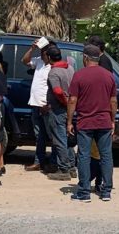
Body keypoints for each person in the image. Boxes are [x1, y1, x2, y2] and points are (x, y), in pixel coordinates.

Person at [67, 45, 117, 203]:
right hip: (104, 121)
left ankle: (84, 192)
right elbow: (113, 101)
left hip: (85, 122)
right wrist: (113, 119)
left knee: (83, 156)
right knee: (106, 156)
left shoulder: (79, 75)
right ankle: (106, 190)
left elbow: (72, 100)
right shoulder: (109, 76)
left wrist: (69, 121)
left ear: (85, 58)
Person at [44, 45, 76, 181]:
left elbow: (57, 91)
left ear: (49, 57)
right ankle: (72, 167)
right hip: (70, 109)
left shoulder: (54, 72)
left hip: (58, 109)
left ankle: (64, 169)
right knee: (67, 138)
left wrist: (64, 101)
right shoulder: (70, 68)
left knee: (59, 139)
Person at [21, 39, 53, 172]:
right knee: (38, 135)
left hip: (46, 106)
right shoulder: (38, 61)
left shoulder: (53, 66)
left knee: (52, 135)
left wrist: (49, 104)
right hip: (35, 104)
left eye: (43, 50)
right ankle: (39, 161)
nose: (41, 52)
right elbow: (25, 61)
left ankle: (54, 162)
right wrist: (32, 48)